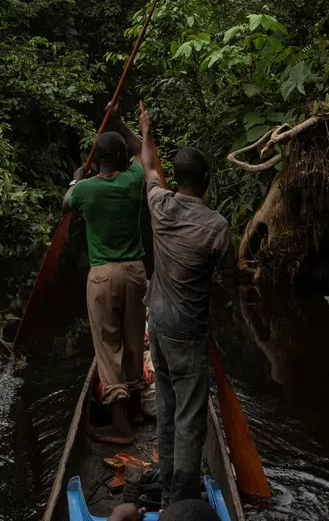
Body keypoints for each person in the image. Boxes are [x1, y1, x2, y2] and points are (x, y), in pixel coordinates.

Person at [138, 102, 239, 507]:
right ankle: (180, 496)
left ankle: (165, 480)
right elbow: (231, 282)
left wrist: (145, 130)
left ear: (175, 179)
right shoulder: (216, 227)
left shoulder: (159, 204)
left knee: (166, 406)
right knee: (190, 418)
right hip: (187, 334)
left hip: (157, 326)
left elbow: (147, 166)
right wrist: (220, 274)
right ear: (208, 180)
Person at [63, 102, 147, 444]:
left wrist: (76, 178)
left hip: (103, 276)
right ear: (122, 157)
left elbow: (65, 202)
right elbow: (142, 149)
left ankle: (120, 424)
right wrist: (119, 119)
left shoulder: (85, 189)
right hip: (136, 273)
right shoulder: (134, 179)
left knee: (107, 346)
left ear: (98, 160)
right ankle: (138, 407)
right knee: (132, 340)